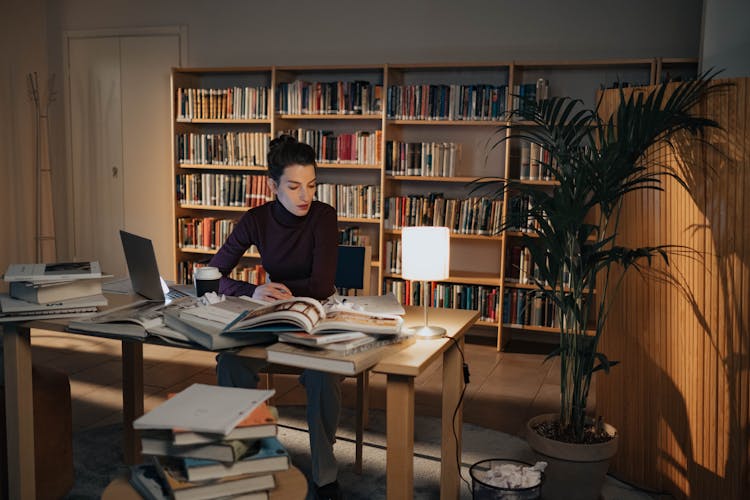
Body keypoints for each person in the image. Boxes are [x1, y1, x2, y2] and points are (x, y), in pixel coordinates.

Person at [208, 135, 342, 500]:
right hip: (271, 312)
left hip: (317, 315)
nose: (305, 196)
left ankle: (324, 473)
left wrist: (275, 285)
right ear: (272, 185)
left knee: (322, 372)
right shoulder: (256, 219)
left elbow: (321, 283)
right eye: (294, 186)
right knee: (230, 360)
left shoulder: (324, 217)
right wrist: (251, 291)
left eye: (312, 186)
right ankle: (243, 457)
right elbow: (212, 273)